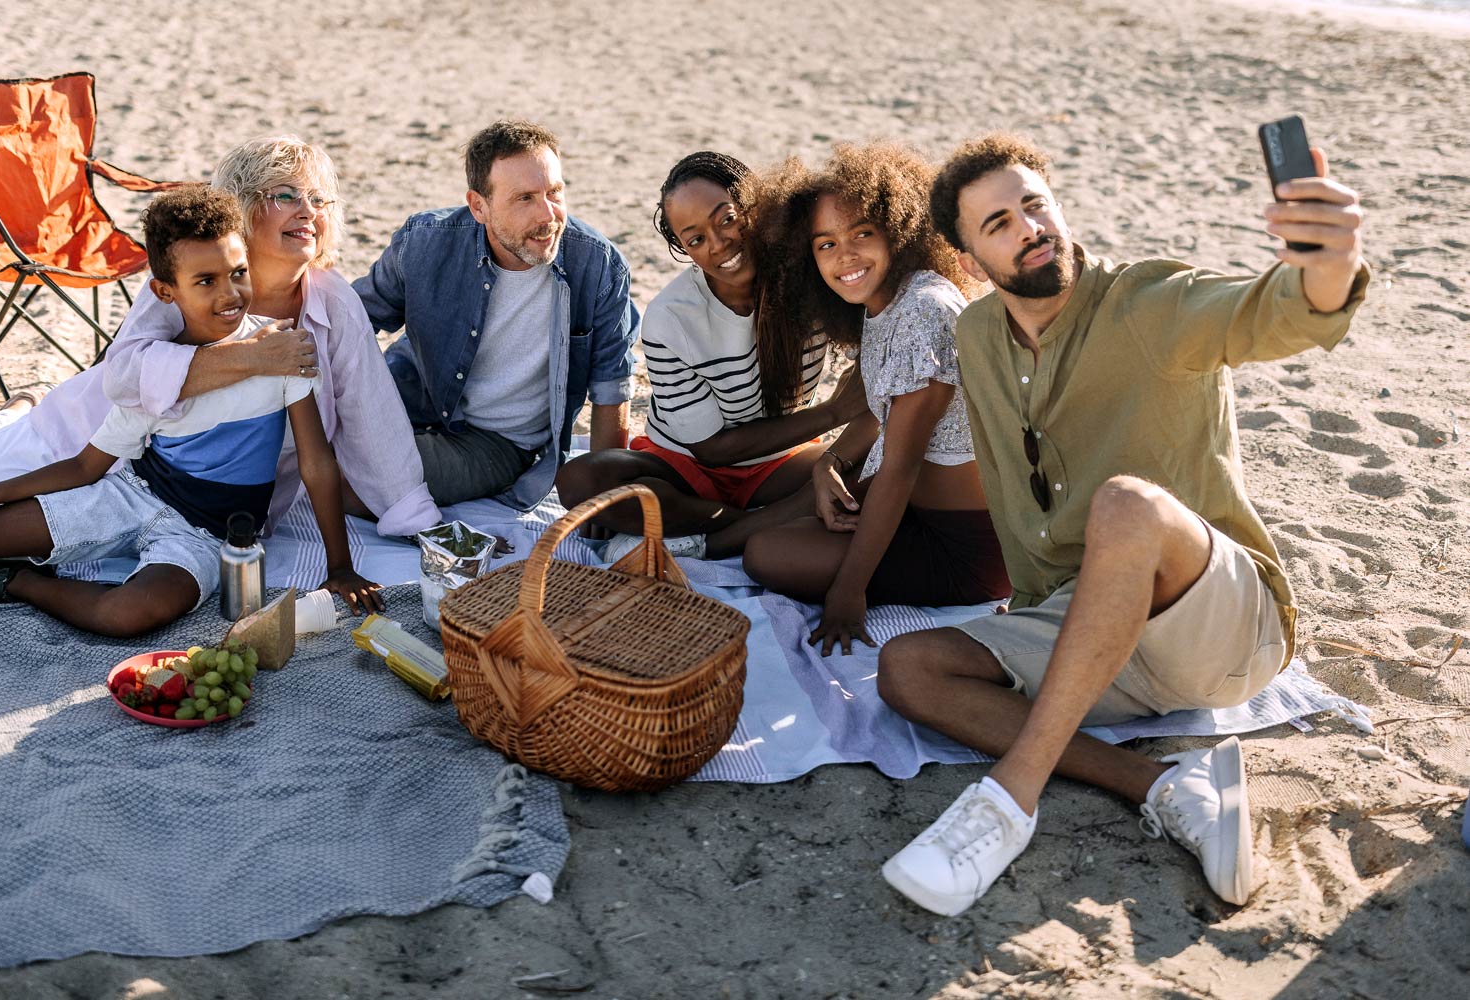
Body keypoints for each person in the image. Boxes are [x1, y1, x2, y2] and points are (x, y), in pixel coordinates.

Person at [876, 134, 1368, 916]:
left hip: (1222, 626)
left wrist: (1326, 261)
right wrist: (1030, 613)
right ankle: (1167, 788)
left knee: (1126, 505)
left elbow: (1275, 313)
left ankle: (1008, 802)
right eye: (998, 223)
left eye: (1035, 205)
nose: (1028, 227)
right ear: (970, 260)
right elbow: (1010, 489)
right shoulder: (976, 339)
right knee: (906, 668)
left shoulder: (1151, 301)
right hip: (1094, 630)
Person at [0, 187, 383, 632]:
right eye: (206, 282)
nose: (229, 294)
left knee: (128, 613)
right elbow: (87, 467)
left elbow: (317, 466)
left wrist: (340, 566)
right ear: (166, 292)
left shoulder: (282, 353)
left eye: (238, 273)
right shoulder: (156, 371)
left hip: (207, 534)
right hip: (132, 494)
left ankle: (18, 582)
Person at [0, 136, 440, 543]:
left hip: (199, 500)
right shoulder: (187, 284)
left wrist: (410, 514)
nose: (308, 211)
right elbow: (124, 376)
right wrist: (250, 358)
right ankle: (10, 416)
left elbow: (373, 417)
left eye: (320, 200)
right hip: (84, 441)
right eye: (286, 194)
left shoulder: (332, 300)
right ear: (244, 207)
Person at [738, 143, 1011, 656]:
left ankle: (711, 544)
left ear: (898, 232)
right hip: (916, 511)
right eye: (825, 244)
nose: (846, 256)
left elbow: (902, 466)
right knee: (799, 498)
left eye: (862, 233)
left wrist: (849, 589)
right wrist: (832, 463)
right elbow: (883, 412)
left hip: (965, 549)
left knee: (768, 554)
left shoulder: (924, 309)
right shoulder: (886, 299)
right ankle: (698, 543)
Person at [553, 152, 865, 559]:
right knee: (583, 480)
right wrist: (833, 412)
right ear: (683, 248)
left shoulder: (813, 278)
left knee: (878, 466)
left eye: (727, 219)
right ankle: (758, 524)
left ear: (755, 205)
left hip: (780, 463)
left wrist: (834, 454)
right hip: (685, 468)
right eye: (696, 239)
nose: (719, 244)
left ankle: (708, 530)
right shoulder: (671, 317)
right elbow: (713, 450)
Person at [353, 119, 640, 509]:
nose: (548, 215)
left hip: (496, 443)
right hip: (407, 397)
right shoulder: (424, 242)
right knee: (308, 446)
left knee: (357, 482)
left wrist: (606, 503)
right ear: (479, 206)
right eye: (524, 198)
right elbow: (352, 320)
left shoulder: (599, 265)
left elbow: (613, 392)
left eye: (554, 192)